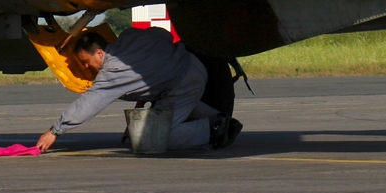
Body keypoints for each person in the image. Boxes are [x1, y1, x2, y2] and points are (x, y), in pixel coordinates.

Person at [35, 27, 243, 153]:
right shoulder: (129, 37)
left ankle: (213, 129)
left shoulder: (112, 71)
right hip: (191, 64)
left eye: (86, 62)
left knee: (157, 137)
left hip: (183, 83)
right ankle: (220, 118)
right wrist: (142, 106)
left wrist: (55, 130)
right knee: (169, 108)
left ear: (99, 53)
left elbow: (89, 103)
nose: (86, 67)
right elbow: (162, 36)